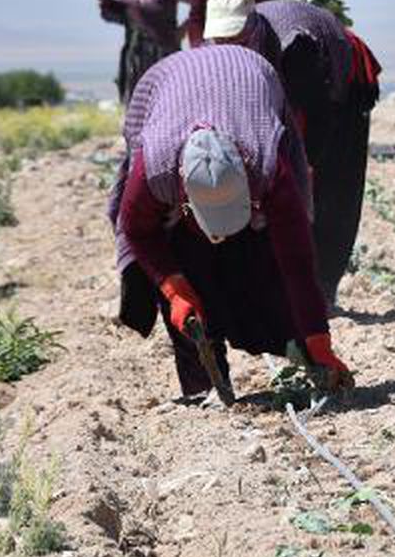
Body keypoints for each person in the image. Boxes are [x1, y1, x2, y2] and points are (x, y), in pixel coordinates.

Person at [107, 44, 352, 400]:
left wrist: (318, 339)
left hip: (249, 78)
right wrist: (174, 288)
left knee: (263, 264)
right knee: (184, 268)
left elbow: (297, 262)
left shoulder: (268, 165)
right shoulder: (153, 170)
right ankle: (203, 388)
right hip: (164, 87)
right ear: (184, 195)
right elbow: (138, 230)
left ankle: (296, 348)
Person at [203, 0, 381, 307]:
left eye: (234, 37)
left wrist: (305, 165)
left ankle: (323, 288)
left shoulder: (294, 48)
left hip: (340, 86)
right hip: (298, 92)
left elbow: (318, 116)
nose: (227, 45)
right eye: (221, 39)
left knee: (333, 186)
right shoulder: (216, 52)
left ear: (251, 25)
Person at [97, 0, 191, 104]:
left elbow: (199, 4)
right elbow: (120, 10)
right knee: (136, 99)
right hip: (136, 54)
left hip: (164, 51)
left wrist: (182, 31)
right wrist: (106, 2)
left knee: (166, 98)